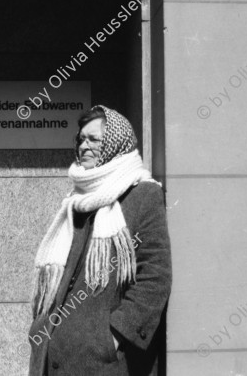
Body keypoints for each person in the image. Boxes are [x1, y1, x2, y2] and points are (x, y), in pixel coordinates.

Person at [28, 105, 172, 376]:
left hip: (103, 363)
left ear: (116, 143)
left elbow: (155, 277)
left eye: (93, 139)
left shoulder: (143, 195)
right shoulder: (77, 201)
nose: (84, 145)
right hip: (53, 357)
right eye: (81, 139)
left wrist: (113, 338)